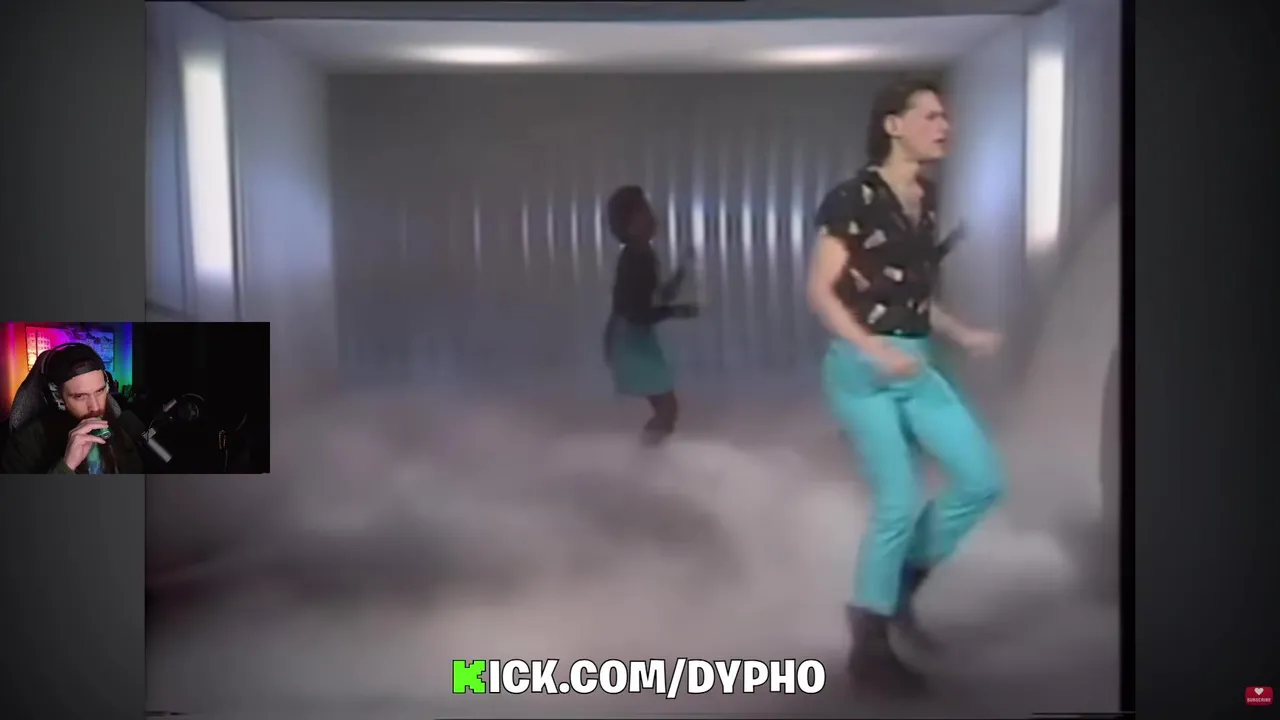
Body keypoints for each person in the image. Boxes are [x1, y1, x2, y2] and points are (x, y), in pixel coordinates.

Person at [805, 78, 1006, 696]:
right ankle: (868, 643)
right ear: (893, 125)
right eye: (931, 116)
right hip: (860, 368)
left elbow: (912, 296)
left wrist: (963, 333)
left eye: (946, 117)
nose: (944, 126)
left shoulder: (926, 196)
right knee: (898, 498)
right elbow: (821, 292)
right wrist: (873, 350)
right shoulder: (853, 199)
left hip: (915, 364)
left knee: (981, 479)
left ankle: (898, 590)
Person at [604, 185, 699, 445]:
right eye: (644, 212)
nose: (652, 216)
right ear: (630, 226)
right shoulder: (636, 259)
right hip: (629, 339)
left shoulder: (642, 255)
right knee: (667, 408)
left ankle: (647, 453)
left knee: (667, 408)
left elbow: (655, 298)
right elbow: (638, 311)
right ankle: (645, 454)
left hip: (632, 337)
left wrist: (682, 271)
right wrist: (677, 311)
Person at [1, 343, 145, 474]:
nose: (95, 407)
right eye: (80, 396)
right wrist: (66, 465)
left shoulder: (121, 425)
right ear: (57, 397)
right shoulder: (23, 446)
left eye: (100, 391)